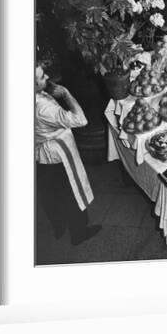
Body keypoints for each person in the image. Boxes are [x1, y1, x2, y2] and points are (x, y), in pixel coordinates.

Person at [35, 63, 101, 245]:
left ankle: (58, 226)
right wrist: (66, 94)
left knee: (52, 193)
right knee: (71, 191)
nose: (47, 77)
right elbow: (81, 119)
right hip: (56, 154)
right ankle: (79, 232)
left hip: (41, 153)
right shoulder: (43, 109)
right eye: (41, 77)